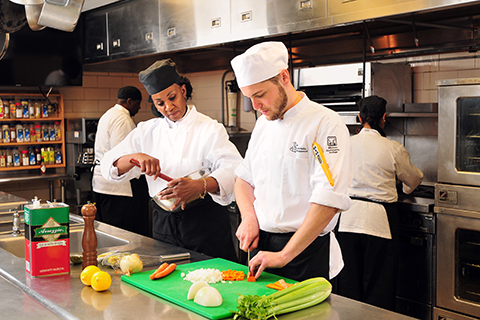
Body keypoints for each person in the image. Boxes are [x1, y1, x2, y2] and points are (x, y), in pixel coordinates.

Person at [230, 41, 353, 282]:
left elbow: (328, 199)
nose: (255, 106)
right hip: (261, 247)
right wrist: (249, 218)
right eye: (249, 98)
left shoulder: (325, 124)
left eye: (260, 95)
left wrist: (285, 255)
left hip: (305, 252)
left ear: (284, 76)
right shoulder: (262, 124)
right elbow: (244, 179)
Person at [100, 59, 242, 261]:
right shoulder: (146, 131)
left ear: (183, 91)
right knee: (168, 282)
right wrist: (135, 157)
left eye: (172, 97)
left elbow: (235, 170)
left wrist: (199, 186)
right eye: (160, 103)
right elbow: (107, 166)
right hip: (163, 224)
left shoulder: (209, 129)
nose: (168, 107)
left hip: (204, 225)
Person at [334, 95, 424, 310]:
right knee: (379, 285)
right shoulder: (392, 148)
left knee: (347, 281)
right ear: (384, 117)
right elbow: (413, 179)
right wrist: (405, 189)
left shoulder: (344, 144)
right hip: (379, 220)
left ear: (359, 117)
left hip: (347, 218)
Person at [92, 86, 150, 237]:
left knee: (109, 233)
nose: (138, 108)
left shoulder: (109, 114)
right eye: (138, 104)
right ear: (129, 101)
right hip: (118, 189)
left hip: (103, 185)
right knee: (125, 234)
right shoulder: (122, 119)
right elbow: (124, 155)